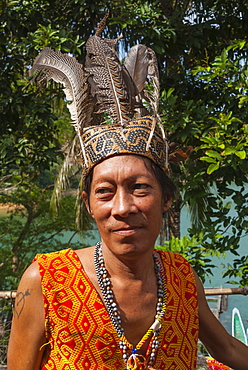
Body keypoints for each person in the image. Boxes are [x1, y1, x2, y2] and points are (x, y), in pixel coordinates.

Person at [7, 14, 248, 370]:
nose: (123, 207)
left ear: (166, 199)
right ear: (88, 203)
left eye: (139, 188)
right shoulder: (47, 280)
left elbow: (227, 350)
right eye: (105, 191)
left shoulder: (180, 277)